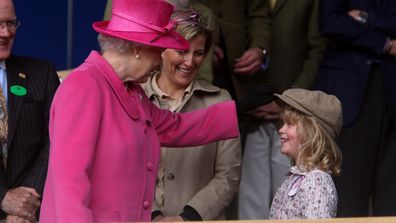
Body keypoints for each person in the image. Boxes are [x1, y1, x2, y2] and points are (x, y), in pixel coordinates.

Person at [39, 0, 272, 222]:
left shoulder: (132, 91)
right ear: (137, 48)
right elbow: (68, 186)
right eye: (159, 50)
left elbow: (175, 127)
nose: (161, 62)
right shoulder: (84, 86)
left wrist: (237, 109)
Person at [141, 9, 241, 221]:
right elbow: (123, 168)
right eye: (182, 51)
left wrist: (188, 217)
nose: (190, 61)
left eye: (198, 53)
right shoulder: (136, 99)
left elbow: (228, 175)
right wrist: (154, 215)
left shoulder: (220, 101)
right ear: (162, 48)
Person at [238, 0, 327, 219]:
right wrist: (244, 101)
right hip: (251, 110)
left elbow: (317, 50)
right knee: (250, 194)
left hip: (293, 110)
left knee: (290, 188)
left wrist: (290, 101)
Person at [313, 0, 396, 216]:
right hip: (350, 89)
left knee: (390, 194)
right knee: (349, 193)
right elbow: (331, 21)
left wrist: (367, 18)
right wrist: (385, 43)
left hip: (391, 87)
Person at [0, 0, 60, 222]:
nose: (5, 33)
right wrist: (3, 198)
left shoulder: (41, 73)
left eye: (11, 23)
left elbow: (55, 139)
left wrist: (27, 201)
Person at [269, 88, 342, 219]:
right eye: (283, 123)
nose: (281, 129)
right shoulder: (297, 178)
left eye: (289, 124)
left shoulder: (317, 183)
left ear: (311, 134)